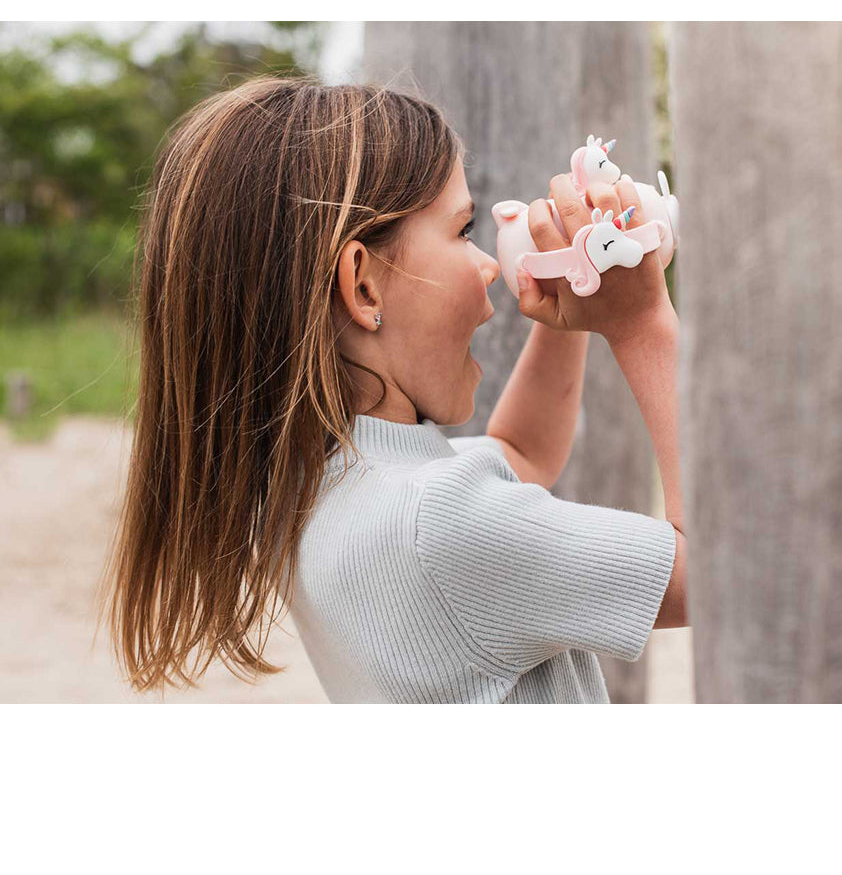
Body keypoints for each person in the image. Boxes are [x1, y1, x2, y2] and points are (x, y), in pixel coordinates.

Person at [101, 75, 686, 703]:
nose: (490, 264)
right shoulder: (441, 524)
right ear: (364, 287)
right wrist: (641, 325)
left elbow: (521, 452)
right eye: (462, 231)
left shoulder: (312, 484)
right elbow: (719, 570)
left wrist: (579, 288)